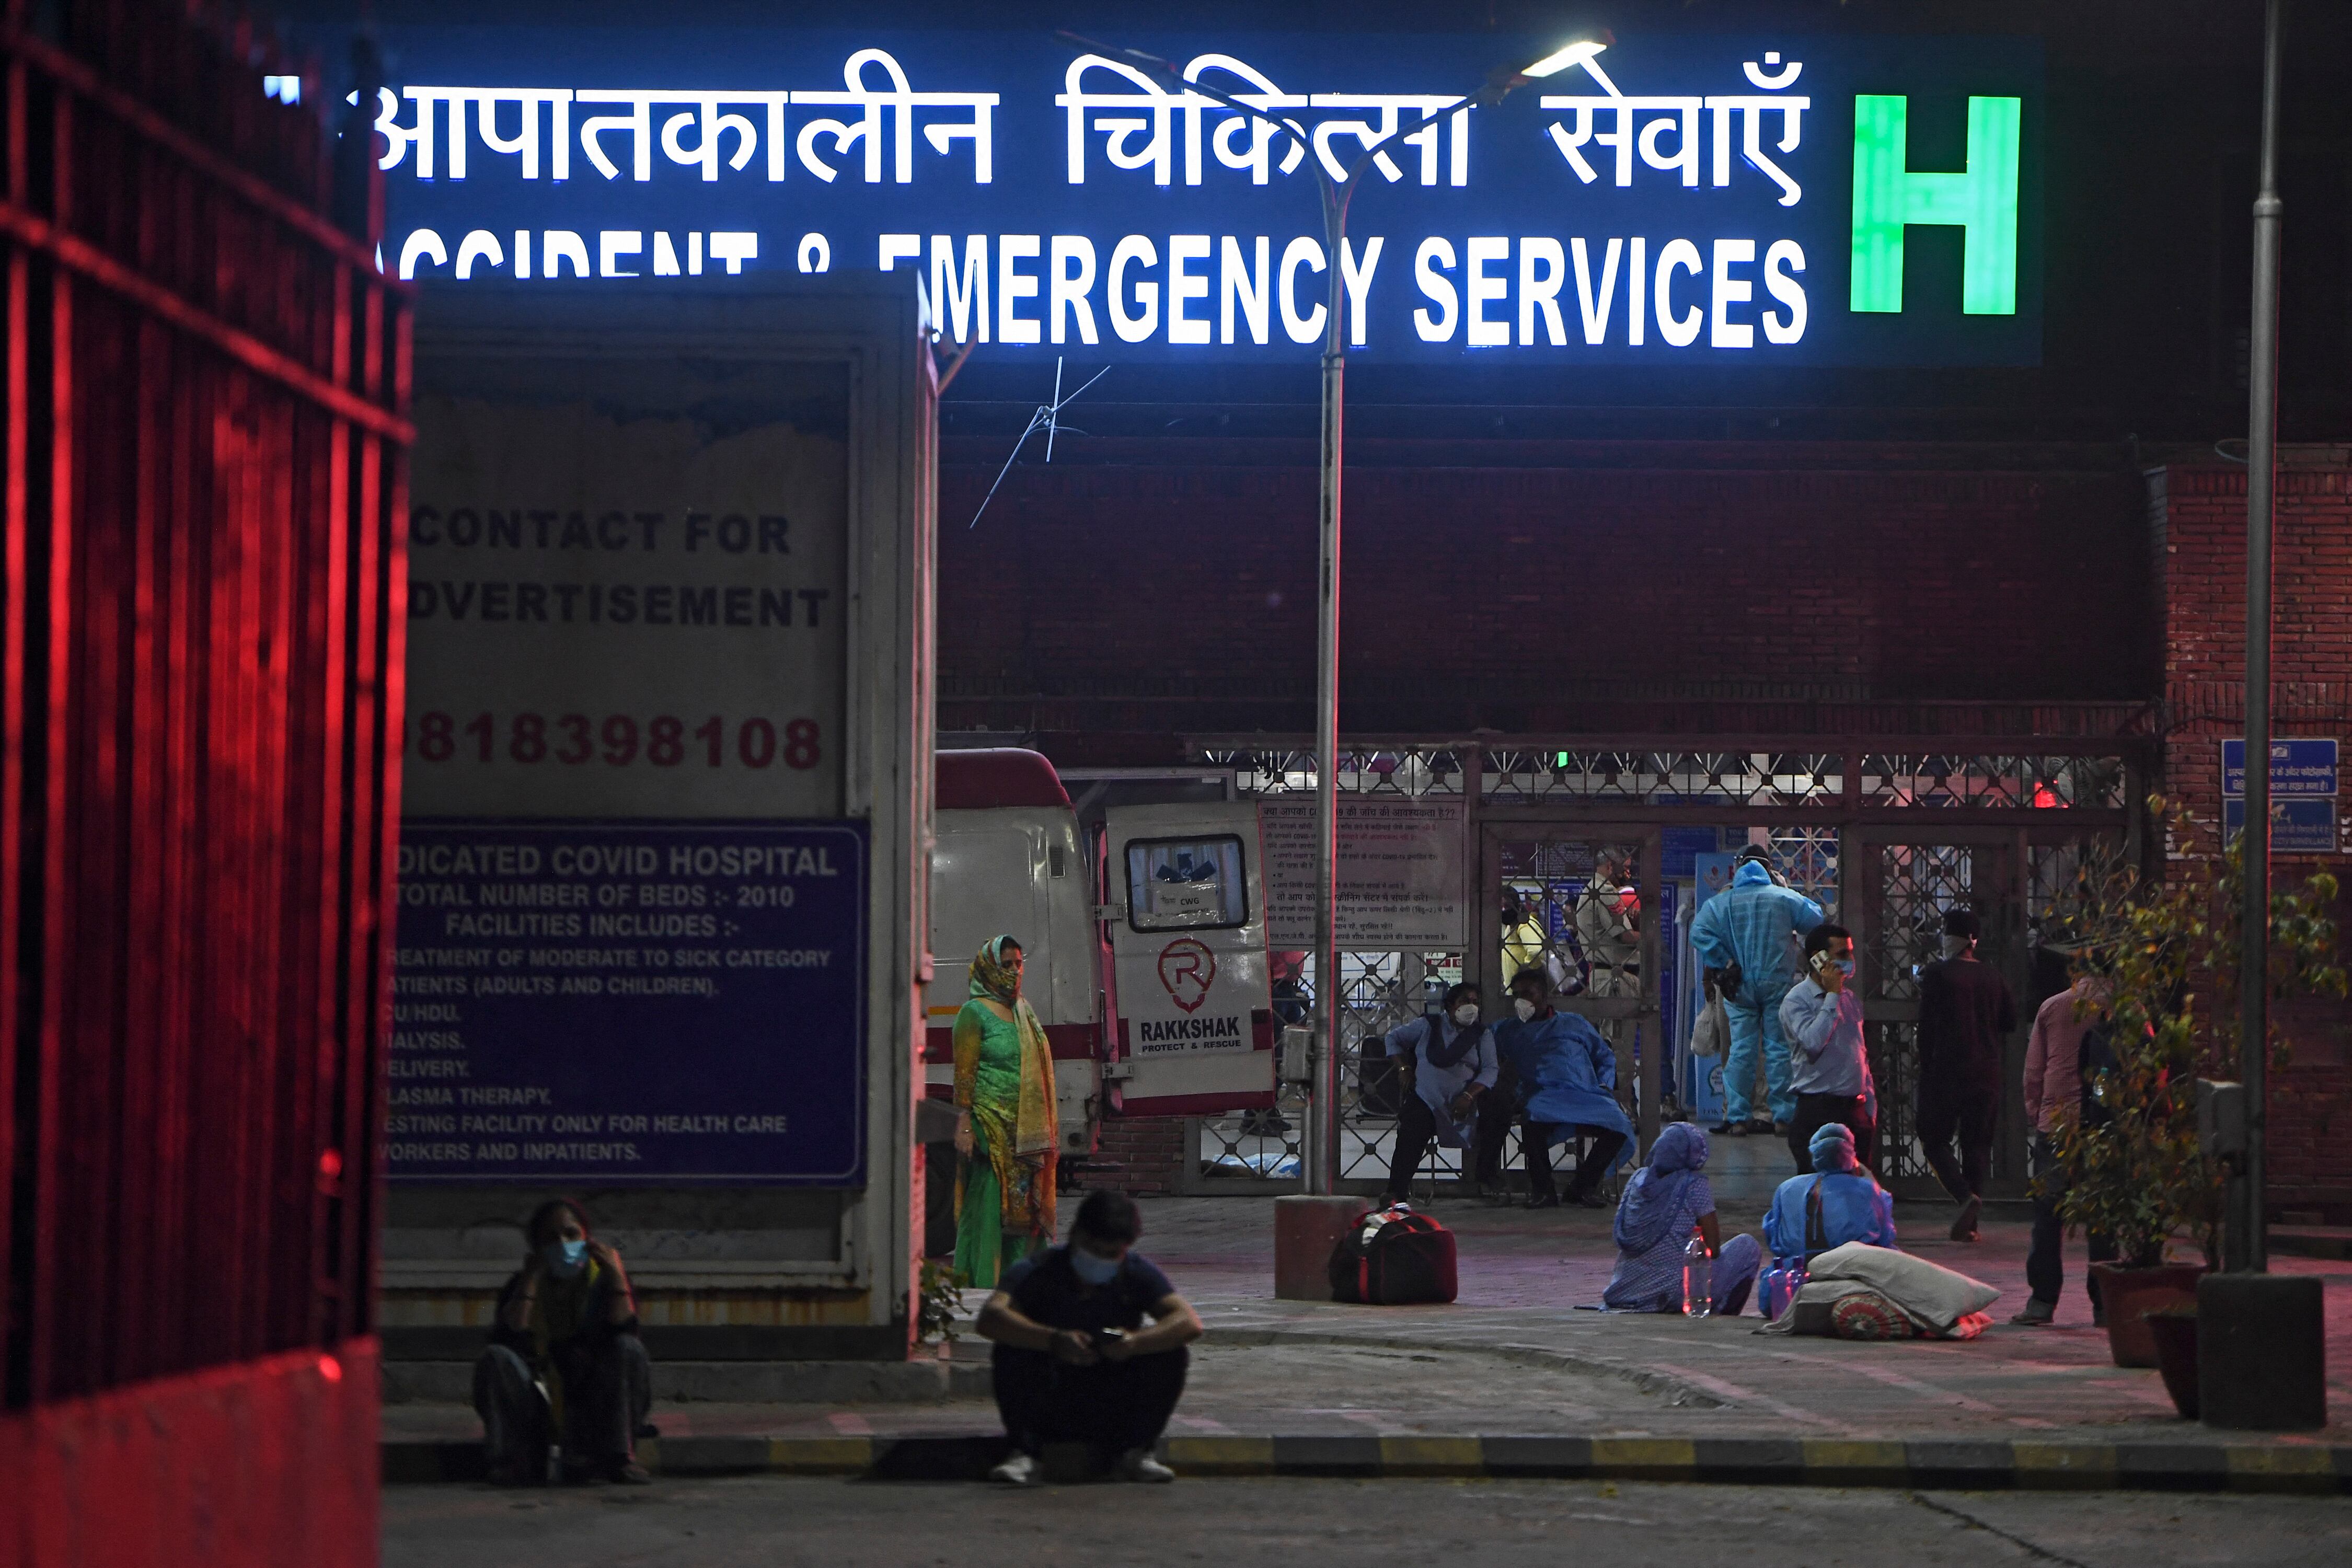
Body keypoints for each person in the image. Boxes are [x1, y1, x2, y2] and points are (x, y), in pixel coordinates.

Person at [977, 1189, 1204, 1486]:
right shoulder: (1038, 1270)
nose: (1100, 1261)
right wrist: (1052, 1340)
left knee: (1170, 1353)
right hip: (1052, 1395)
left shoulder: (1136, 1273)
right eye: (1093, 1250)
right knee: (1012, 1350)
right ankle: (1026, 1453)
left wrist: (1134, 1342)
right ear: (1076, 1235)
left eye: (1110, 1255)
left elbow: (1187, 1322)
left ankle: (1137, 1452)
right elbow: (992, 1317)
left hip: (1110, 1397)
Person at [474, 1198, 652, 1486]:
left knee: (629, 1349)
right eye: (552, 1238)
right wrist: (531, 1279)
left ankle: (619, 1459)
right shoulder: (521, 1286)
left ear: (587, 1238)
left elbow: (626, 1331)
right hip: (539, 1400)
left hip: (593, 1401)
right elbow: (510, 1337)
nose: (563, 1244)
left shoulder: (603, 1281)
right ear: (537, 1247)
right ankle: (515, 1461)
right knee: (495, 1357)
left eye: (571, 1234)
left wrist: (617, 1276)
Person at [1689, 845, 1825, 1136]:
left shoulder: (1721, 902)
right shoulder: (1783, 897)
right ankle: (1783, 1117)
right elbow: (1815, 919)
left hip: (1738, 985)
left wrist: (1724, 961)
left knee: (1740, 1051)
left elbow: (1698, 932)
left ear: (1738, 868)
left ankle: (1738, 1118)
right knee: (1779, 1049)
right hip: (1777, 984)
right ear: (1769, 870)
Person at [2013, 966, 2118, 1326]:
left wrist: (2036, 1111)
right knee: (2102, 1216)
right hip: (2104, 1124)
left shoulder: (2053, 1007)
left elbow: (2034, 1071)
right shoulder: (2124, 1008)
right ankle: (2105, 1304)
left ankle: (2042, 1301)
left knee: (2048, 1213)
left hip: (2057, 1122)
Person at [954, 935, 1059, 1288]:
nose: (1014, 971)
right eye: (1006, 965)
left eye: (1019, 964)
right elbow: (964, 1076)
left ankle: (1027, 1282)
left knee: (1026, 1210)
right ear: (988, 968)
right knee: (990, 1205)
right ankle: (985, 1281)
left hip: (1027, 1133)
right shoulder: (973, 1014)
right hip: (990, 1127)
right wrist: (964, 1125)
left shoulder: (1023, 1011)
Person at [1914, 907, 2018, 1242]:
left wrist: (1925, 1066)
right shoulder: (1994, 977)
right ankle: (1971, 1225)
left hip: (1945, 1072)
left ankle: (1964, 1196)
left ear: (1951, 938)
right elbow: (2010, 1022)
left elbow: (1926, 1028)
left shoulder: (1937, 975)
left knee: (1934, 1139)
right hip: (1986, 1073)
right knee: (1977, 1145)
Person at [1493, 964, 1631, 1208]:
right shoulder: (1508, 1030)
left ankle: (1583, 1187)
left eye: (1529, 994)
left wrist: (1604, 1084)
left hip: (1585, 1094)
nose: (1522, 1001)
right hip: (1543, 1095)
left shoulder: (1574, 1023)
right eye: (1517, 995)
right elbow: (1483, 1048)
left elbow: (1604, 1056)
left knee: (1619, 1125)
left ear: (1545, 996)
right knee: (1532, 1119)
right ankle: (1543, 1191)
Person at [1602, 1122, 1761, 1314]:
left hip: (1623, 1292)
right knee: (1747, 1246)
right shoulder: (1693, 1184)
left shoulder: (1636, 1180)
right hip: (1670, 1293)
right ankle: (1722, 1314)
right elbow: (1713, 1248)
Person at [1377, 982, 1501, 1206]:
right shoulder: (1428, 1025)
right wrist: (1404, 1068)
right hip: (1427, 1097)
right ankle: (1396, 1192)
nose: (1471, 1007)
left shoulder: (1482, 1034)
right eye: (1465, 1002)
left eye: (1475, 1002)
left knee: (1497, 1117)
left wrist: (1469, 1096)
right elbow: (1393, 1039)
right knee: (1411, 1127)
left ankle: (1487, 1179)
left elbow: (1491, 1069)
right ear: (1450, 1005)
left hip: (1467, 1099)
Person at [1778, 924, 1879, 1173]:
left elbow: (1859, 1053)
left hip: (1855, 1112)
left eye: (1850, 952)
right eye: (1842, 954)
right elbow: (1813, 1043)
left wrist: (1870, 1107)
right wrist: (1832, 996)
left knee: (1857, 1184)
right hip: (1819, 1110)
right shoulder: (1797, 1001)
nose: (1850, 960)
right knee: (1819, 1185)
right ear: (1819, 958)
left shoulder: (1849, 999)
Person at [1763, 1124, 1898, 1263]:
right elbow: (1886, 1236)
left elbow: (1773, 1234)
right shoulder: (1867, 1189)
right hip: (1855, 1267)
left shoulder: (1787, 1188)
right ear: (1851, 1154)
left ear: (1814, 1153)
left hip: (1796, 1267)